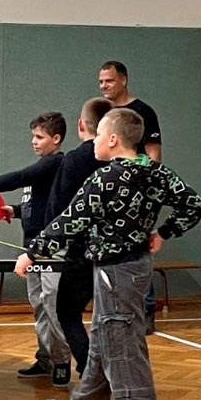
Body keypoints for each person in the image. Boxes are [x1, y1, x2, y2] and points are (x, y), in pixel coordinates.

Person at [15, 108, 201, 400]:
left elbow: (70, 220)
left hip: (116, 273)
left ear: (114, 140)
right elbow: (193, 204)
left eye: (99, 136)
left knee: (124, 351)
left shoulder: (106, 178)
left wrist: (33, 253)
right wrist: (163, 232)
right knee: (103, 335)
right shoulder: (157, 172)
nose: (95, 143)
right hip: (133, 267)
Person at [0, 111, 70, 386]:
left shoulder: (55, 163)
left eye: (39, 137)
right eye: (33, 136)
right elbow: (39, 204)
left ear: (56, 139)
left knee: (52, 306)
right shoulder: (43, 166)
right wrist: (16, 210)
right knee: (39, 306)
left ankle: (62, 362)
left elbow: (20, 177)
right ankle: (46, 359)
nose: (34, 141)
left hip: (50, 249)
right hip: (31, 247)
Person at [45, 97, 112, 376]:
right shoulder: (132, 162)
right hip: (121, 254)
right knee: (115, 320)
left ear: (81, 125)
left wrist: (42, 247)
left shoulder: (74, 160)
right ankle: (115, 379)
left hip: (81, 251)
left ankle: (89, 372)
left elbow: (58, 210)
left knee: (67, 311)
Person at [98, 60, 163, 332]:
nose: (104, 86)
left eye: (109, 81)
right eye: (101, 82)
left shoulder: (143, 111)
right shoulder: (103, 112)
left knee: (137, 250)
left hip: (136, 195)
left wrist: (145, 185)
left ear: (123, 80)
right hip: (109, 193)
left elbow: (154, 154)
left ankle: (146, 308)